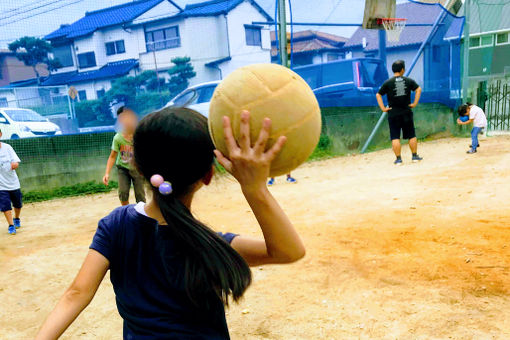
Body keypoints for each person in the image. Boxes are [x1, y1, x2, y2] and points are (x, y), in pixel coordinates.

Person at [35, 108, 305, 339]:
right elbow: (289, 251)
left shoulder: (115, 226)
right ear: (208, 176)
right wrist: (254, 188)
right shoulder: (209, 244)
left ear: (139, 169)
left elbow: (76, 294)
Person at [376, 60, 423, 165]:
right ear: (402, 70)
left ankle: (398, 159)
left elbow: (378, 94)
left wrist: (383, 108)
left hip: (393, 113)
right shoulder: (408, 80)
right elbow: (418, 89)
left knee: (395, 136)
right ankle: (414, 156)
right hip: (406, 111)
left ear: (393, 70)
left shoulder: (388, 83)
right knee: (411, 135)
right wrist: (414, 103)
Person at [103, 106, 146, 205]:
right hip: (123, 168)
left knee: (140, 196)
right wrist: (107, 173)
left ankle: (141, 217)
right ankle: (125, 213)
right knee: (123, 193)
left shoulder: (138, 135)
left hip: (137, 169)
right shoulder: (118, 138)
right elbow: (112, 156)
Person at [0, 129, 22, 235]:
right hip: (1, 185)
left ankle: (16, 218)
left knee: (18, 204)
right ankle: (11, 225)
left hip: (13, 182)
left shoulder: (7, 147)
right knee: (5, 205)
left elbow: (16, 161)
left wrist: (15, 165)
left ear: (0, 134)